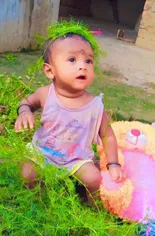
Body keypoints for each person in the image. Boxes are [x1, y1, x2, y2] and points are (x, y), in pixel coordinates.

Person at [14, 20, 125, 205]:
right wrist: (25, 112)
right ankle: (39, 203)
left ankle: (94, 213)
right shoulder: (45, 94)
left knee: (94, 178)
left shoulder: (95, 105)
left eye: (88, 60)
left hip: (77, 159)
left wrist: (113, 163)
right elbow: (25, 103)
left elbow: (108, 136)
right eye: (72, 60)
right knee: (28, 173)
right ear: (50, 71)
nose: (83, 66)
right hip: (43, 153)